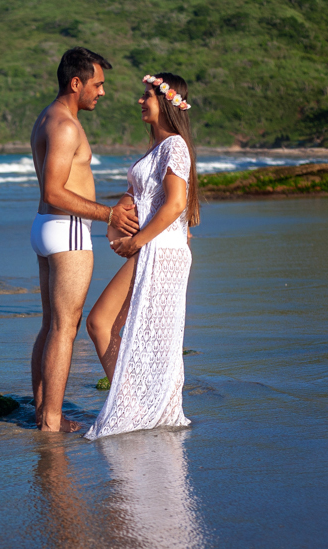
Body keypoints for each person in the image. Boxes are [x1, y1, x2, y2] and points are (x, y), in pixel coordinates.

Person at [84, 72, 200, 440]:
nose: (140, 101)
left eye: (147, 95)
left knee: (99, 323)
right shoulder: (157, 149)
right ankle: (137, 404)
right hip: (154, 248)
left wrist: (136, 242)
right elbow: (137, 195)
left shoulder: (174, 146)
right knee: (112, 327)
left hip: (160, 250)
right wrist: (115, 219)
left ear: (165, 102)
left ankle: (132, 406)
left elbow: (176, 203)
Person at [29, 47, 140, 433]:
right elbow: (54, 191)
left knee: (52, 324)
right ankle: (52, 420)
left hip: (46, 228)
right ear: (76, 83)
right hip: (67, 230)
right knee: (65, 327)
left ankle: (43, 411)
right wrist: (109, 214)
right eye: (98, 84)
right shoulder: (65, 126)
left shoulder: (48, 117)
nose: (102, 92)